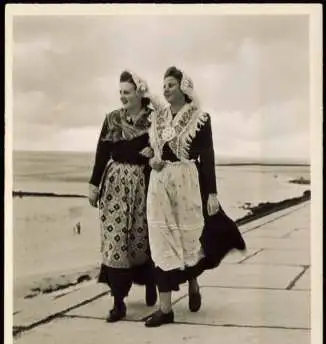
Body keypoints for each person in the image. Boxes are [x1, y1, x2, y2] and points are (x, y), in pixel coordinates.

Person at [145, 66, 246, 327]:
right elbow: (155, 150)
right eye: (163, 85)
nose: (165, 89)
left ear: (183, 87)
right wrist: (153, 161)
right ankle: (165, 309)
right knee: (161, 239)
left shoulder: (200, 118)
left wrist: (212, 193)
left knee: (187, 239)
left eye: (171, 84)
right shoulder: (157, 118)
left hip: (187, 181)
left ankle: (193, 281)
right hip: (160, 184)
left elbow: (208, 156)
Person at [88, 70, 157, 322]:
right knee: (115, 240)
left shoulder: (154, 120)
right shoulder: (113, 119)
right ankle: (118, 302)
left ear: (139, 93)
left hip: (143, 185)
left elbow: (165, 149)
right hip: (114, 187)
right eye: (120, 92)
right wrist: (93, 184)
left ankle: (150, 282)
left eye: (126, 92)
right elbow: (102, 152)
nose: (122, 97)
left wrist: (153, 150)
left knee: (141, 237)